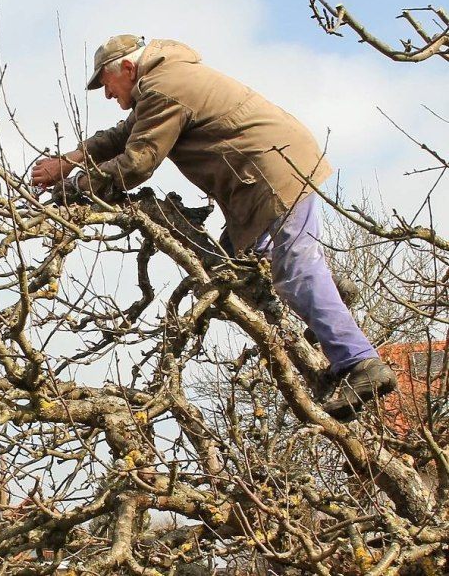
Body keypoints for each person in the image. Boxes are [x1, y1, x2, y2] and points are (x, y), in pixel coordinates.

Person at [31, 35, 396, 420]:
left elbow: (137, 163)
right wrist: (70, 160)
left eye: (104, 83)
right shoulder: (162, 81)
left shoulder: (163, 88)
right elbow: (122, 136)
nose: (105, 94)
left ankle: (360, 363)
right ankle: (333, 292)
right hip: (262, 172)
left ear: (126, 68)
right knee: (234, 263)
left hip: (270, 172)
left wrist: (75, 186)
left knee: (295, 270)